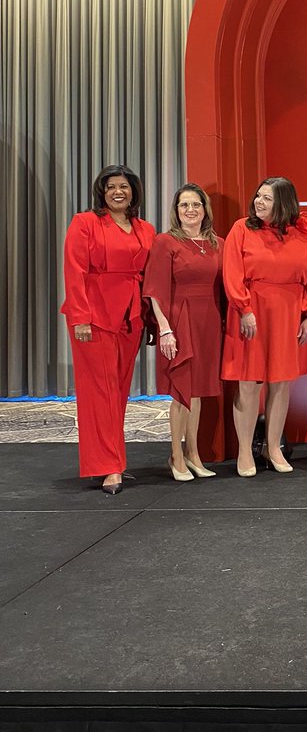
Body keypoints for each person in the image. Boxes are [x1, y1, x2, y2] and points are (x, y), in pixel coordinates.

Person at [61, 165, 156, 495]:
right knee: (98, 393)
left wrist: (152, 319)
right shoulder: (85, 223)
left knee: (118, 393)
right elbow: (74, 271)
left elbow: (149, 278)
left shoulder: (145, 228)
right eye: (112, 186)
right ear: (101, 192)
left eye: (125, 186)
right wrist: (80, 316)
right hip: (94, 316)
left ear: (134, 191)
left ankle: (112, 459)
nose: (119, 191)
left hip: (131, 317)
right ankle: (109, 467)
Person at [222, 177, 307, 477]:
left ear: (283, 203)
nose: (259, 202)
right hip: (251, 312)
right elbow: (232, 273)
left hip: (289, 312)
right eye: (258, 196)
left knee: (281, 383)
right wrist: (244, 309)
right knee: (248, 382)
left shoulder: (303, 235)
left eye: (267, 198)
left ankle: (273, 447)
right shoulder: (242, 228)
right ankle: (244, 450)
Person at [143, 184, 224, 481]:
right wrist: (165, 329)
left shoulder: (218, 243)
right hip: (179, 320)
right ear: (176, 211)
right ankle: (175, 456)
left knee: (199, 390)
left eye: (196, 204)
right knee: (182, 392)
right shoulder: (166, 242)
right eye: (184, 205)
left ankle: (193, 454)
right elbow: (154, 288)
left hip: (210, 322)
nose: (190, 210)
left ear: (205, 209)